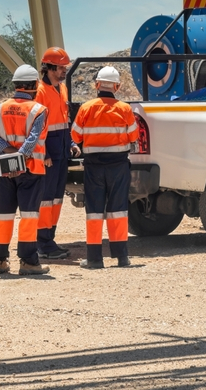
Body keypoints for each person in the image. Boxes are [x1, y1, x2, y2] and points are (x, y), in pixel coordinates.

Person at [70, 66, 139, 269]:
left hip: (94, 167)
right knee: (118, 210)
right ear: (116, 87)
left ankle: (94, 259)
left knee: (94, 211)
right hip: (118, 166)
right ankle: (122, 257)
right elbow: (134, 136)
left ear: (97, 85)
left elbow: (75, 137)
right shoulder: (125, 109)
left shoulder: (86, 108)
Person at [0, 64, 51, 276]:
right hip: (31, 170)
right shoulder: (39, 110)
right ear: (34, 85)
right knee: (29, 216)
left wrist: (10, 157)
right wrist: (20, 160)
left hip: (5, 171)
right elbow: (32, 140)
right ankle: (28, 262)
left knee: (4, 216)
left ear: (15, 85)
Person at [34, 47, 81, 260]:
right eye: (61, 68)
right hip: (49, 153)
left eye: (64, 68)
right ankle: (42, 242)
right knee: (46, 199)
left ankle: (49, 239)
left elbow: (63, 120)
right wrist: (42, 153)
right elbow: (36, 126)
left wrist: (71, 141)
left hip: (61, 150)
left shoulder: (61, 89)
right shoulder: (40, 91)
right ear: (50, 68)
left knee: (56, 198)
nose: (64, 71)